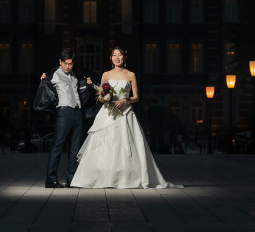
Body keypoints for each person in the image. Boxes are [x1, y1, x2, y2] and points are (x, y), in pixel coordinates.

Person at [70, 47, 183, 189]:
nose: (117, 57)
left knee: (125, 145)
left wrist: (125, 100)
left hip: (125, 113)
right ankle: (102, 177)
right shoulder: (106, 74)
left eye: (120, 55)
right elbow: (100, 97)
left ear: (124, 57)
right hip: (108, 114)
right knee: (106, 145)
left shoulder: (131, 75)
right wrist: (104, 98)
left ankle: (126, 177)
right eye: (114, 55)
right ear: (110, 58)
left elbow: (136, 97)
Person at [35, 48, 95, 188]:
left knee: (75, 147)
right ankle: (51, 179)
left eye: (71, 64)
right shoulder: (52, 75)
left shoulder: (76, 76)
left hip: (77, 112)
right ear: (60, 62)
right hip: (64, 112)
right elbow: (44, 91)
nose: (68, 67)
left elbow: (84, 90)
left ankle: (71, 179)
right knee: (58, 145)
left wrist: (88, 85)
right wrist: (43, 80)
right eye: (66, 63)